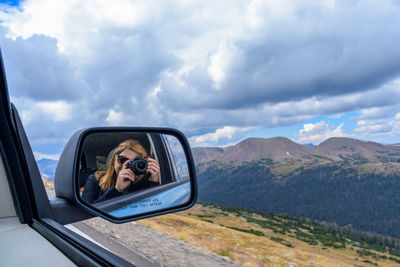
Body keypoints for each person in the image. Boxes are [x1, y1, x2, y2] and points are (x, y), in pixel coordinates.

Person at [82, 139, 160, 204]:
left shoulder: (145, 185)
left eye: (136, 163)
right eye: (123, 160)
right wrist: (117, 189)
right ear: (113, 161)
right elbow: (86, 215)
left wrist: (153, 183)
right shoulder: (95, 180)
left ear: (144, 164)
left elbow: (154, 205)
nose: (126, 165)